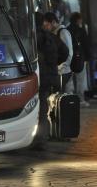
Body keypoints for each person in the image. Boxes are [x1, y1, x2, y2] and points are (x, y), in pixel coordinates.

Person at [32, 12, 59, 150]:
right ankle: (42, 138)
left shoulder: (31, 36)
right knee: (43, 109)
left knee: (35, 108)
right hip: (48, 77)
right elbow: (65, 52)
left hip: (36, 78)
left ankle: (37, 139)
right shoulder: (50, 36)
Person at [43, 12, 74, 93]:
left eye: (47, 25)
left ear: (53, 22)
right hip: (58, 72)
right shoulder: (53, 33)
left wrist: (60, 68)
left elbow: (69, 53)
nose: (45, 28)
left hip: (63, 72)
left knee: (62, 95)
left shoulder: (63, 32)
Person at [67, 12, 91, 108]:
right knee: (80, 80)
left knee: (69, 80)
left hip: (69, 58)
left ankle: (69, 100)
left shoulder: (66, 30)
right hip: (80, 59)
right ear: (78, 20)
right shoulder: (81, 30)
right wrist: (87, 58)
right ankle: (80, 100)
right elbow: (86, 44)